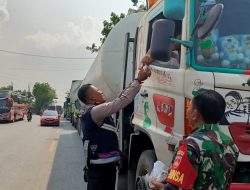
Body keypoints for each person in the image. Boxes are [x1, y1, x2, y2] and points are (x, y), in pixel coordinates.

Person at [77, 57, 152, 190]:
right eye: (98, 91)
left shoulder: (93, 111)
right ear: (92, 98)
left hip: (103, 170)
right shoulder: (95, 111)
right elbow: (119, 102)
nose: (101, 92)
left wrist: (135, 81)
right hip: (100, 173)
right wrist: (138, 80)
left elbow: (120, 97)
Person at [151, 89, 239, 190]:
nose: (187, 111)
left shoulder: (190, 145)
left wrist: (158, 187)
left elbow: (175, 188)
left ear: (195, 113)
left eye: (190, 107)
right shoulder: (231, 144)